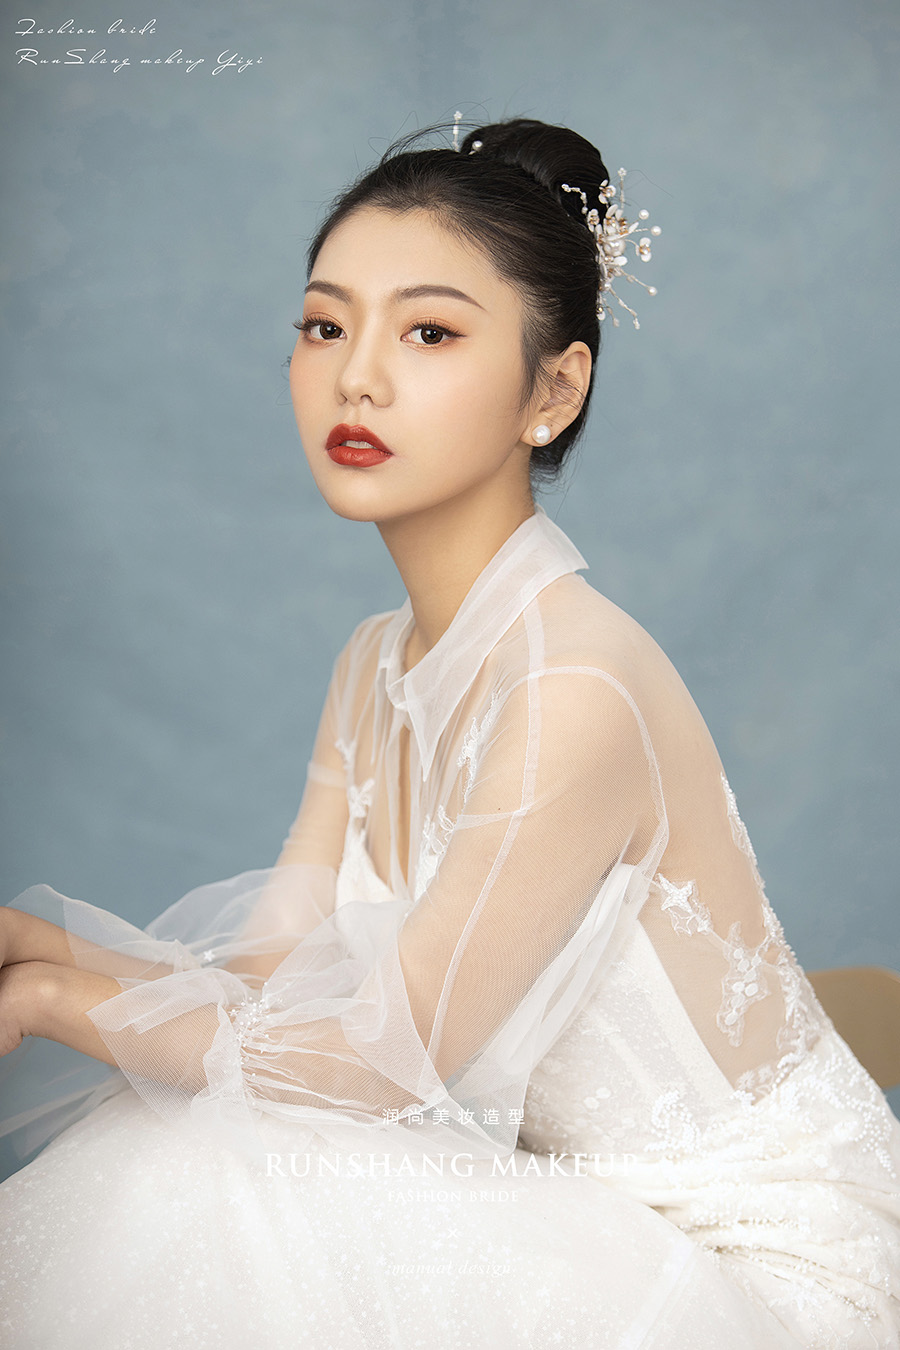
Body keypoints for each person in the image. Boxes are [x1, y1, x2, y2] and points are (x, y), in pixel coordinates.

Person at [0, 115, 898, 1349]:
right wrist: (35, 945)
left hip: (763, 1275)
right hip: (576, 1225)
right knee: (200, 1154)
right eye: (326, 326)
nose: (357, 378)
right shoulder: (374, 665)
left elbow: (379, 1067)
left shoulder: (573, 688)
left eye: (428, 332)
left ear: (553, 390)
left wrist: (55, 1000)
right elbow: (268, 993)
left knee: (203, 1180)